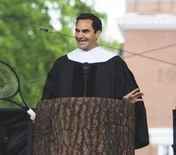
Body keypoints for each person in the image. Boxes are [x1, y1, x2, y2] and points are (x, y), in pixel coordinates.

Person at [40, 12, 149, 149]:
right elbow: (48, 103)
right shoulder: (62, 65)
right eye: (77, 31)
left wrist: (124, 104)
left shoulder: (114, 65)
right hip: (66, 143)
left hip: (103, 143)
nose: (79, 36)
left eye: (85, 31)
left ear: (97, 33)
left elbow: (133, 106)